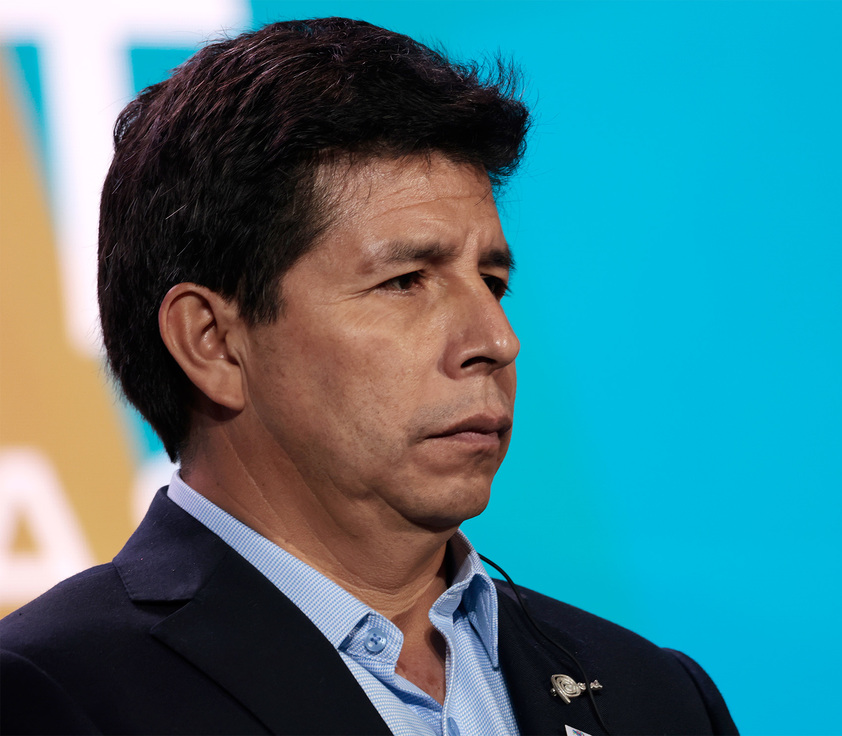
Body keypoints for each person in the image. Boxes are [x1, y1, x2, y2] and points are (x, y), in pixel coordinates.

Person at [0, 17, 737, 736]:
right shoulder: (52, 695)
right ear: (213, 343)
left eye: (492, 282)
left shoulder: (656, 698)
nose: (496, 341)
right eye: (406, 281)